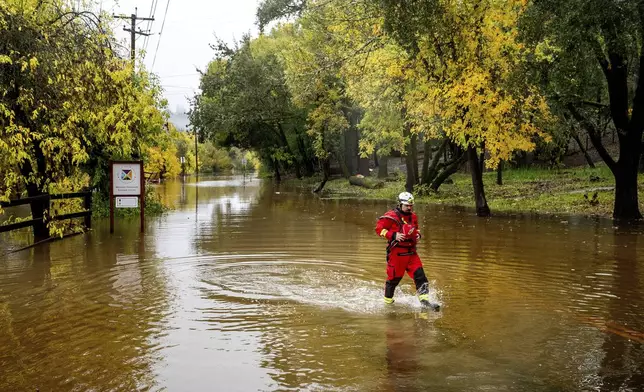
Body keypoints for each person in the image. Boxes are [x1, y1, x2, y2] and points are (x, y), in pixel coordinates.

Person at [375, 191, 438, 310]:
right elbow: (379, 229)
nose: (409, 208)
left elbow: (416, 230)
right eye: (407, 206)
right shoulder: (391, 216)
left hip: (411, 253)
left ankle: (424, 302)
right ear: (400, 204)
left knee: (420, 276)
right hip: (397, 254)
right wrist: (393, 235)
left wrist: (418, 235)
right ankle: (388, 304)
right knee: (393, 280)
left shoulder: (413, 216)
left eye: (411, 206)